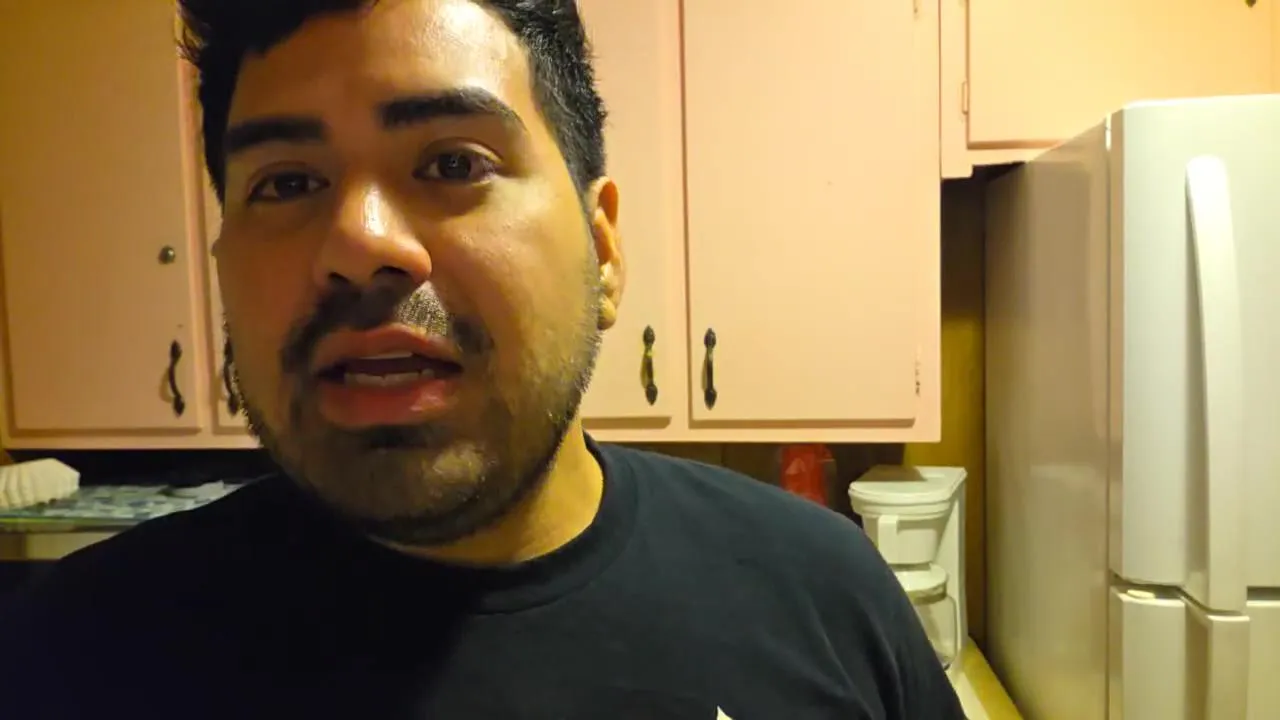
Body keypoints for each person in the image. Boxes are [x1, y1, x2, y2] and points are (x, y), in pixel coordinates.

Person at [0, 1, 966, 717]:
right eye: (287, 183)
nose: (359, 243)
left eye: (453, 163)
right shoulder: (74, 655)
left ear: (603, 251)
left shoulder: (827, 598)